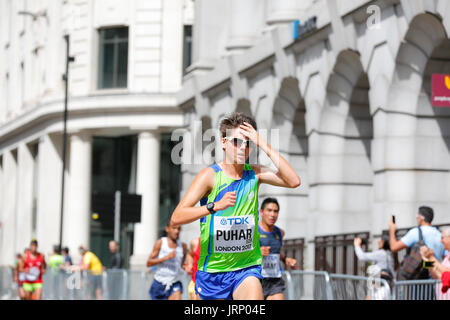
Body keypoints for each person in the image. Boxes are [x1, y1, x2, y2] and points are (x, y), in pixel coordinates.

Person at [170, 112, 301, 300]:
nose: (243, 148)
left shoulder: (255, 173)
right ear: (223, 142)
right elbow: (177, 216)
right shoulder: (210, 176)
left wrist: (262, 143)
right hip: (213, 273)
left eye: (248, 143)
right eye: (237, 142)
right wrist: (214, 206)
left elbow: (294, 181)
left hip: (246, 269)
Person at [389, 206, 445, 279]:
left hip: (418, 278)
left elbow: (394, 247)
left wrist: (392, 230)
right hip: (435, 278)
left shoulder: (416, 232)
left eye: (417, 216)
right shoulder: (440, 236)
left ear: (421, 218)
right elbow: (444, 257)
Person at [258, 197, 297, 300]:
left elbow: (276, 253)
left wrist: (285, 259)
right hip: (257, 279)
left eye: (275, 211)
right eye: (269, 210)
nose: (272, 214)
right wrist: (257, 252)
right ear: (261, 212)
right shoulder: (253, 232)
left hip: (274, 280)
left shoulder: (280, 232)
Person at [147, 223, 187, 300]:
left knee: (177, 296)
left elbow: (182, 264)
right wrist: (166, 258)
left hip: (174, 282)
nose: (177, 231)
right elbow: (149, 263)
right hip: (159, 283)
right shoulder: (161, 243)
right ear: (167, 229)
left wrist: (186, 266)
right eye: (174, 228)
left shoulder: (183, 246)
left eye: (179, 229)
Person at [419, 227, 450, 300]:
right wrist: (426, 259)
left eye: (443, 238)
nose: (441, 241)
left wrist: (432, 258)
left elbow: (447, 272)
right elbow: (436, 275)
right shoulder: (446, 257)